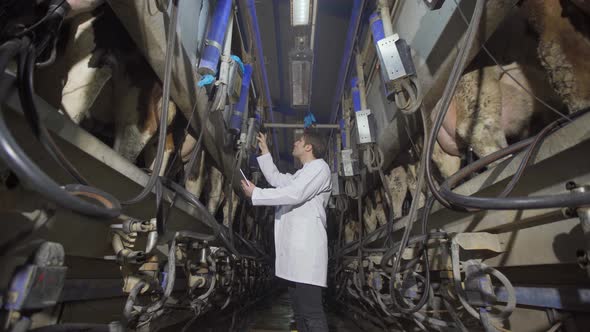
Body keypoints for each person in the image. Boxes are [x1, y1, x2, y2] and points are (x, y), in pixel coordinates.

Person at [241, 130, 332, 332]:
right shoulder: (303, 173)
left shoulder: (319, 168)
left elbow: (294, 193)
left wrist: (256, 193)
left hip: (307, 253)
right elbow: (276, 179)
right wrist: (265, 151)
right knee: (299, 312)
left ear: (309, 147)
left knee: (311, 312)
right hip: (296, 255)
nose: (295, 143)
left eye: (299, 141)